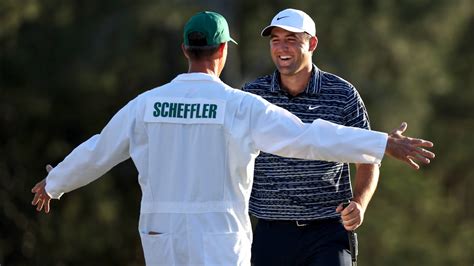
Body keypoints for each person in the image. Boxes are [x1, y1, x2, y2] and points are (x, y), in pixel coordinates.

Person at [31, 11, 434, 266]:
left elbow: (99, 150)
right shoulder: (240, 106)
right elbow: (309, 138)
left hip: (159, 234)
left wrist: (55, 182)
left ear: (185, 50)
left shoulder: (146, 105)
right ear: (222, 51)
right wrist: (382, 142)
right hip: (218, 238)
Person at [242, 8, 421, 266]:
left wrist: (359, 203)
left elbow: (367, 159)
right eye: (275, 40)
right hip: (271, 231)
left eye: (291, 40)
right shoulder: (251, 95)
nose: (282, 48)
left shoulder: (343, 94)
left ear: (312, 43)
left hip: (327, 230)